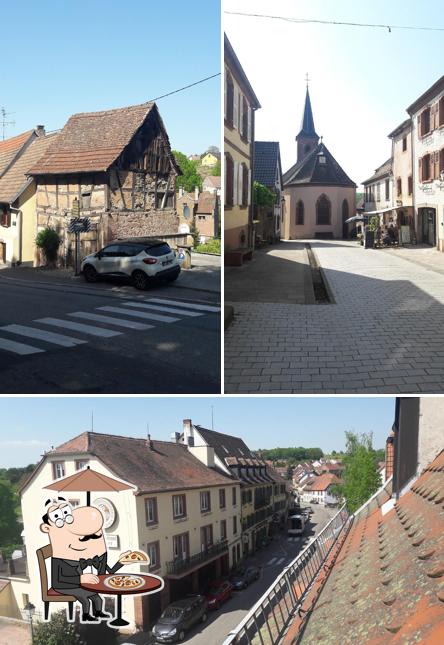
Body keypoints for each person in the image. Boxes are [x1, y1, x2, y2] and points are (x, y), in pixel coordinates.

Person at [39, 497, 130, 622]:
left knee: (97, 598)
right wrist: (80, 579)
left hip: (78, 583)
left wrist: (121, 562)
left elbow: (107, 572)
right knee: (85, 597)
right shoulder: (60, 559)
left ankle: (98, 612)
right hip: (63, 585)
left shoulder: (84, 556)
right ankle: (86, 615)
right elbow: (58, 579)